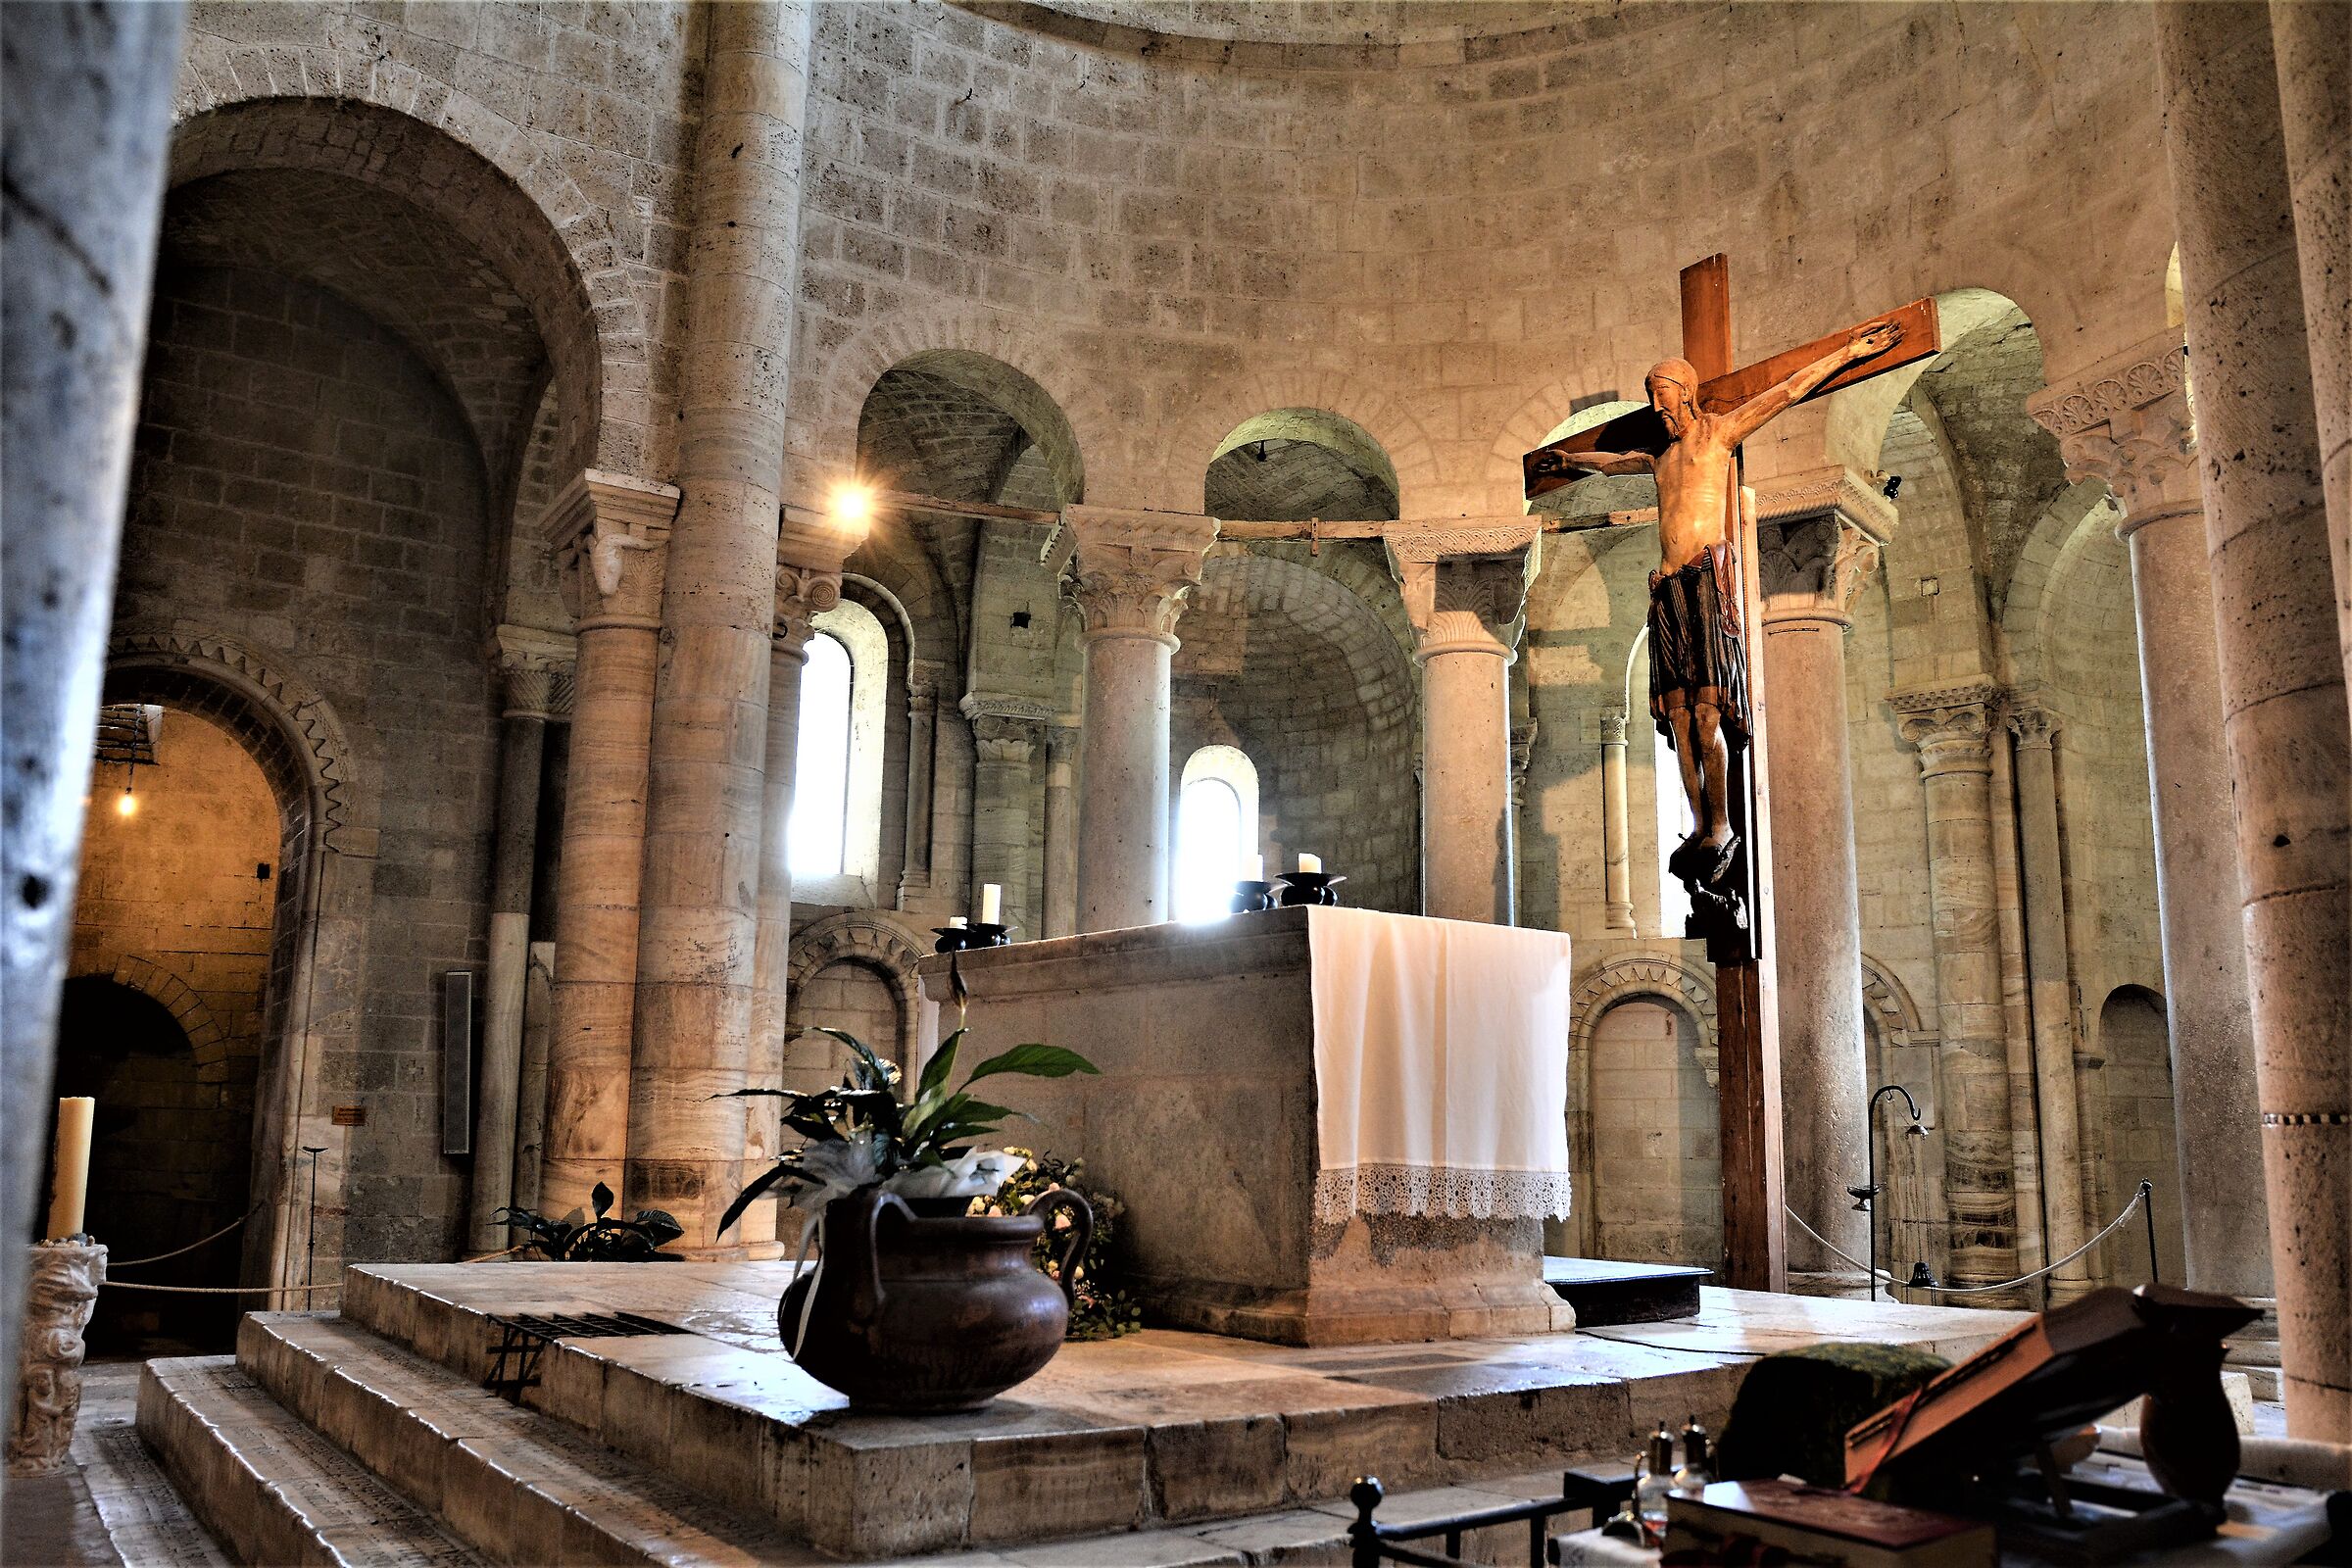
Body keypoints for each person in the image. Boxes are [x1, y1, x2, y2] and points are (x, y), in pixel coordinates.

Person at [1530, 318, 1903, 891]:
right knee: (1677, 717)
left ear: (1687, 392)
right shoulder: (1658, 458)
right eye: (1652, 396)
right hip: (1667, 588)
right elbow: (1611, 461)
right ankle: (1701, 825)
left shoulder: (1719, 435)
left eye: (1664, 393)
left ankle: (1723, 822)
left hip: (1708, 578)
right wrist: (1569, 461)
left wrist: (1850, 351)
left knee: (1708, 714)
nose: (1658, 406)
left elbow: (1786, 391)